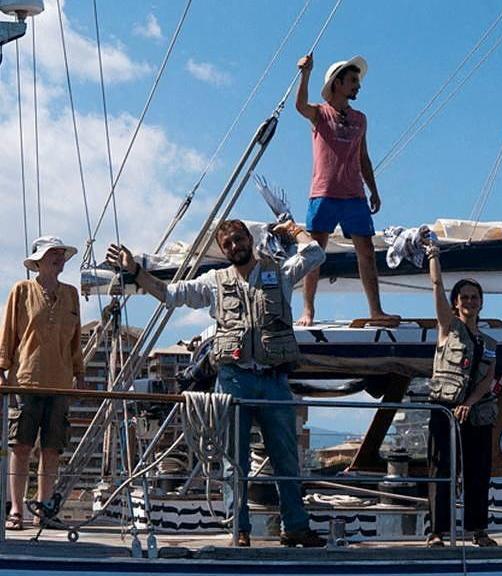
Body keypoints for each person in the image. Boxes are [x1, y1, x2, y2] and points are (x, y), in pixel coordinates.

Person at [105, 220, 326, 548]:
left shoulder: (278, 272)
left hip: (273, 379)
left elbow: (314, 253)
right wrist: (135, 271)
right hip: (234, 379)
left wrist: (293, 230)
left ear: (249, 240)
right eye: (228, 244)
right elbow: (169, 294)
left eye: (239, 239)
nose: (235, 246)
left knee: (286, 458)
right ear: (223, 250)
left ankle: (295, 526)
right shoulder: (214, 282)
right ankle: (240, 528)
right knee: (233, 460)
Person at [294, 52, 397, 326]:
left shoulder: (360, 119)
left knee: (366, 252)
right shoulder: (320, 113)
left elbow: (363, 157)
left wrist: (374, 189)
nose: (357, 85)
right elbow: (300, 105)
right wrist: (305, 74)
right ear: (337, 83)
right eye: (352, 80)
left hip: (354, 195)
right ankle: (308, 310)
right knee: (314, 254)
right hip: (324, 193)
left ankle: (376, 310)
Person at [1, 236, 84, 531]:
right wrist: (2, 370)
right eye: (54, 254)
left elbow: (76, 343)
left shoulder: (72, 294)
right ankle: (16, 511)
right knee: (21, 447)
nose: (59, 258)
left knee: (52, 450)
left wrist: (79, 373)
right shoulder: (21, 290)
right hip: (25, 380)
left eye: (62, 254)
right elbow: (8, 334)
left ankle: (44, 510)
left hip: (60, 383)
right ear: (39, 260)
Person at [422, 236, 498, 548]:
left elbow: (488, 378)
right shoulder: (447, 328)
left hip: (476, 413)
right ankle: (437, 532)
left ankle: (478, 530)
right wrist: (434, 257)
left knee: (478, 473)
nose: (469, 301)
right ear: (456, 303)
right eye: (464, 297)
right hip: (444, 410)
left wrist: (470, 402)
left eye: (474, 297)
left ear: (481, 302)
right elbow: (437, 286)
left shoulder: (490, 344)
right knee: (442, 471)